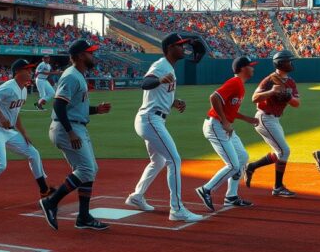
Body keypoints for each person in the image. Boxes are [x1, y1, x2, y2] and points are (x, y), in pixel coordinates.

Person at [126, 33, 202, 222]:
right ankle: (176, 209)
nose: (183, 48)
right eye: (179, 45)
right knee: (174, 160)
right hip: (150, 120)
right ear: (169, 48)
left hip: (153, 119)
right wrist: (159, 80)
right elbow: (145, 83)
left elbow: (160, 94)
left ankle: (136, 196)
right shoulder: (160, 65)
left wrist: (174, 102)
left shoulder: (169, 67)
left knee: (158, 161)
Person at [38, 39, 112, 231]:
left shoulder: (78, 75)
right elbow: (58, 105)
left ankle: (84, 216)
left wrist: (97, 110)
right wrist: (70, 132)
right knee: (87, 169)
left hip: (75, 126)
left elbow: (75, 108)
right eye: (90, 52)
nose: (92, 55)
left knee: (90, 169)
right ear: (80, 56)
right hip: (67, 129)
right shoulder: (71, 76)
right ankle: (51, 202)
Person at [0, 59, 55, 210]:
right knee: (0, 165)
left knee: (33, 153)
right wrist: (1, 117)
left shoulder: (23, 90)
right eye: (27, 69)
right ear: (18, 72)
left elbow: (16, 113)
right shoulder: (9, 86)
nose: (30, 72)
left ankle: (44, 190)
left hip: (8, 132)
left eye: (30, 69)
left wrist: (24, 133)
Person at [195, 56, 259, 212]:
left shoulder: (240, 85)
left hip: (223, 126)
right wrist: (224, 121)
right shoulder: (235, 82)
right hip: (216, 126)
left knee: (243, 157)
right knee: (233, 165)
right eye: (251, 66)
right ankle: (206, 189)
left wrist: (246, 119)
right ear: (243, 68)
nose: (253, 68)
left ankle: (231, 196)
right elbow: (214, 97)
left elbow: (230, 109)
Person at [245, 50, 300, 197]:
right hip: (264, 118)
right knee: (284, 151)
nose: (291, 63)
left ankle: (251, 167)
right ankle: (278, 187)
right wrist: (271, 92)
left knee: (279, 152)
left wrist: (288, 97)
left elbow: (297, 103)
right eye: (289, 61)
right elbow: (254, 98)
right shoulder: (269, 79)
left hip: (275, 119)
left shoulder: (290, 82)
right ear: (281, 63)